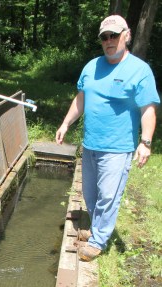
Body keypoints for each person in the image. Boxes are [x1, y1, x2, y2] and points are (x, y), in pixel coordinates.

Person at [55, 15, 160, 261]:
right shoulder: (91, 67)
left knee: (108, 196)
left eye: (114, 35)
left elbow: (148, 109)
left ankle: (98, 240)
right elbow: (80, 99)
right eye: (105, 37)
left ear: (127, 35)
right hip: (90, 144)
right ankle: (97, 229)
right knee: (91, 195)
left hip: (117, 147)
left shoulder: (139, 70)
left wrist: (145, 142)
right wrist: (66, 123)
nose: (109, 40)